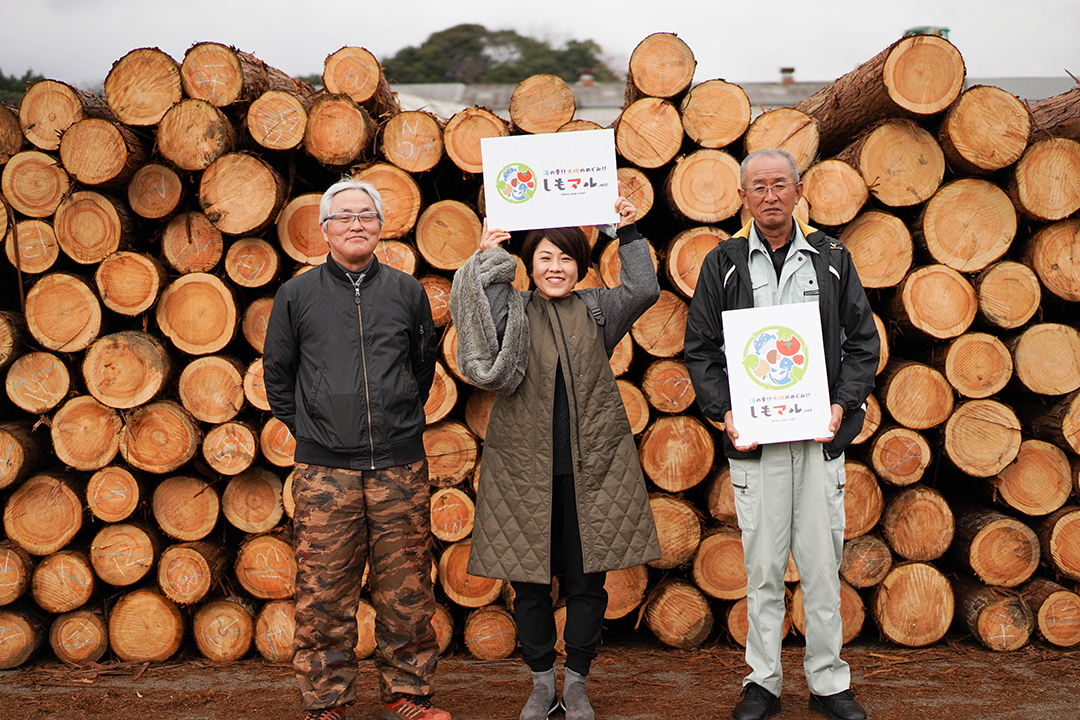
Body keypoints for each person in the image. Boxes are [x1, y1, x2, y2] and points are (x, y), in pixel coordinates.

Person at [684, 149, 879, 720]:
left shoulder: (833, 259)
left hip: (819, 442)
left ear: (799, 192)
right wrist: (724, 412)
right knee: (764, 570)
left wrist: (844, 406)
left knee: (821, 568)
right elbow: (701, 350)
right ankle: (763, 682)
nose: (770, 195)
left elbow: (863, 344)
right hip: (758, 447)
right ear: (742, 198)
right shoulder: (723, 264)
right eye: (758, 186)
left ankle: (828, 683)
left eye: (780, 184)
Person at [449, 198, 662, 720]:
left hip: (591, 474)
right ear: (531, 261)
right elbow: (485, 299)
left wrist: (626, 232)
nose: (555, 267)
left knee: (589, 583)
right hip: (524, 473)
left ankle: (579, 682)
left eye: (566, 258)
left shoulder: (596, 309)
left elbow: (643, 289)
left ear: (580, 266)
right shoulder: (514, 312)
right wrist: (488, 253)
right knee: (529, 583)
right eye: (545, 257)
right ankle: (543, 683)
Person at [263, 179, 449, 720]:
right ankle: (327, 702)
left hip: (399, 466)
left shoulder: (406, 292)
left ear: (380, 225)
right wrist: (315, 430)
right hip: (325, 472)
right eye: (343, 216)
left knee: (407, 589)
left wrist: (395, 421)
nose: (355, 225)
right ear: (324, 228)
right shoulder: (297, 296)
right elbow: (278, 375)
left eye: (366, 215)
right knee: (323, 596)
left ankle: (407, 696)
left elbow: (421, 367)